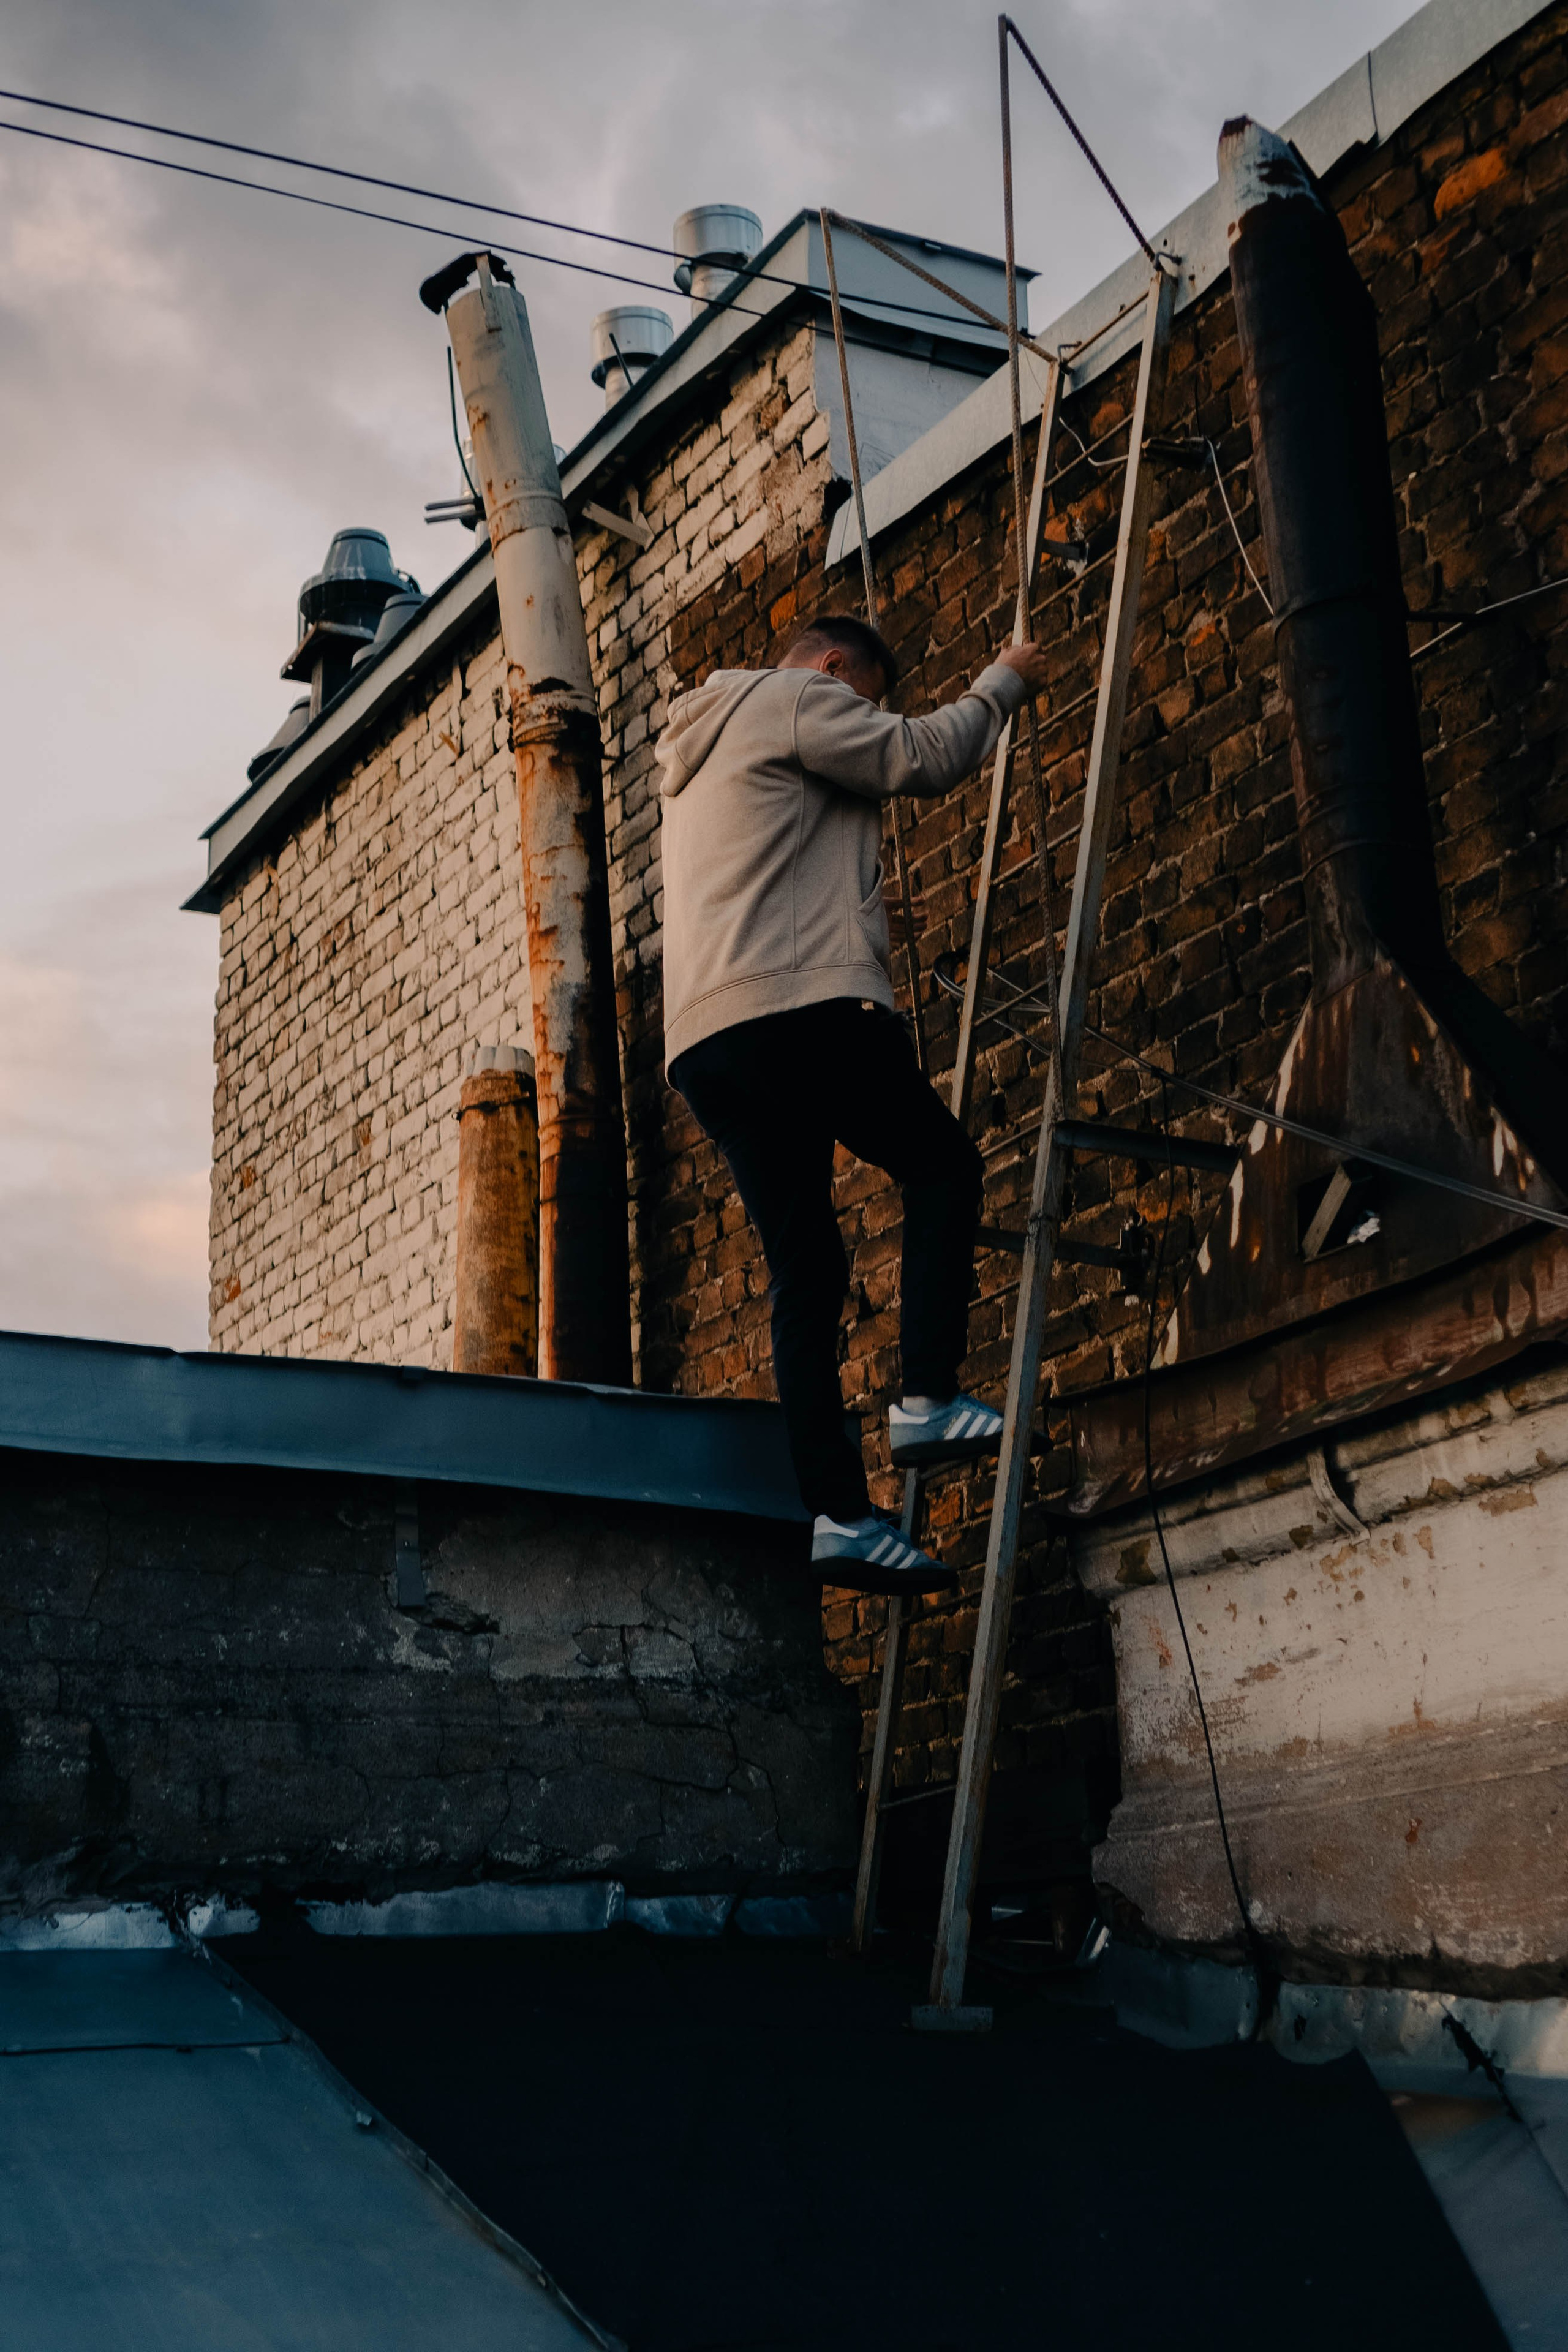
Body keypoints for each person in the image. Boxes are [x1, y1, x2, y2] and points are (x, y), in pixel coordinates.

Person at [657, 613, 1051, 1593]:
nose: (861, 717)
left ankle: (839, 1517)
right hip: (799, 1016)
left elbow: (774, 871)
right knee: (942, 1165)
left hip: (709, 1045)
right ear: (835, 668)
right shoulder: (797, 695)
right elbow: (924, 758)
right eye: (863, 701)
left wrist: (861, 907)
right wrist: (1003, 679)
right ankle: (927, 1399)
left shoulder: (699, 749)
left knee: (808, 1271)